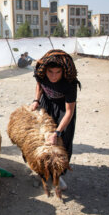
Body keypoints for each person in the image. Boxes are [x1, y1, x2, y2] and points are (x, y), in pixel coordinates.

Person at [31, 49, 81, 190]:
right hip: (47, 104)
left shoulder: (69, 84)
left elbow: (69, 111)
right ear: (45, 71)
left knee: (63, 143)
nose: (53, 76)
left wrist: (57, 132)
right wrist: (36, 99)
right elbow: (39, 84)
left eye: (57, 72)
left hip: (63, 110)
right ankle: (43, 171)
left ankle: (59, 175)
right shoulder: (41, 74)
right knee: (42, 139)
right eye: (50, 72)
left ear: (63, 71)